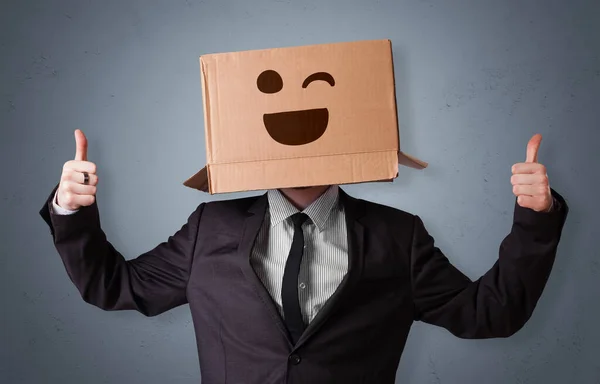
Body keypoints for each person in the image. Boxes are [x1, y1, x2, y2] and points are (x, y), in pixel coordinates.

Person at [40, 129, 568, 384]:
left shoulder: (396, 235)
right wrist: (71, 210)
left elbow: (489, 313)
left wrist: (534, 219)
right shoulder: (211, 226)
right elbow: (112, 287)